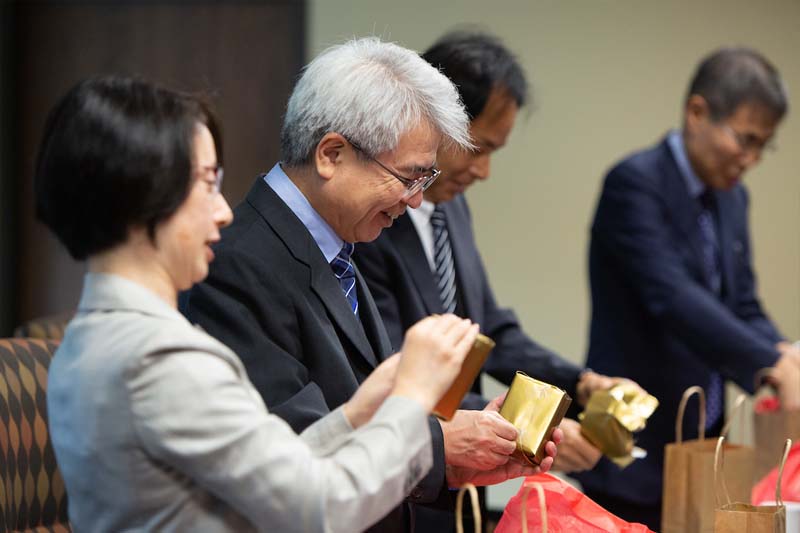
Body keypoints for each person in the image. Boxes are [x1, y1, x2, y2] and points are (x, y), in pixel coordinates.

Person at [36, 75, 508, 532]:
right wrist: (411, 399)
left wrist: (357, 413)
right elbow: (318, 510)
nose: (223, 210)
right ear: (141, 199)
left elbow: (276, 467)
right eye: (205, 182)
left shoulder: (95, 334)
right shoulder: (161, 359)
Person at [183, 37, 560, 533]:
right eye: (409, 178)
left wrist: (452, 437)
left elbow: (360, 401)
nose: (416, 202)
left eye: (425, 180)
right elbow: (293, 446)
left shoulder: (337, 245)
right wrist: (439, 445)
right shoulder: (238, 266)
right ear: (331, 154)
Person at [353, 31, 640, 531]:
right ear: (434, 122)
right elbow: (388, 372)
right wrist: (520, 425)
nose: (484, 171)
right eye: (478, 148)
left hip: (451, 493)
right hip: (394, 485)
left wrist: (580, 385)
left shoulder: (451, 208)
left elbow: (490, 331)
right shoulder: (374, 223)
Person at [575, 47, 800, 530]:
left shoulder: (732, 196)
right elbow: (672, 297)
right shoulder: (634, 183)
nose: (752, 158)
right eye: (745, 139)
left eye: (764, 145)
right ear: (697, 113)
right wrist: (767, 362)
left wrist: (783, 354)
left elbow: (740, 303)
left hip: (706, 446)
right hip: (635, 450)